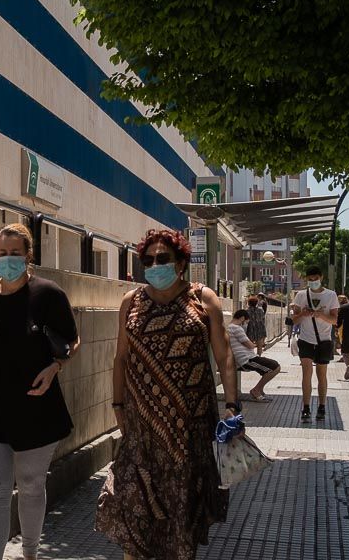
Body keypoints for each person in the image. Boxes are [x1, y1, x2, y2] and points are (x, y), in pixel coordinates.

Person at [97, 229, 240, 560]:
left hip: (190, 430)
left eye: (163, 259)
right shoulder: (130, 302)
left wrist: (232, 406)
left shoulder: (202, 299)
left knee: (181, 518)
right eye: (148, 260)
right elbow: (120, 357)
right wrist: (117, 407)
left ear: (181, 263)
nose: (155, 265)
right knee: (133, 511)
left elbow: (225, 356)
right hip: (141, 429)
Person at [0, 223, 79, 560]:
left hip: (37, 405)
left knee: (31, 484)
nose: (8, 259)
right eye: (2, 253)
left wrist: (55, 368)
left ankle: (30, 554)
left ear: (29, 255)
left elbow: (72, 341)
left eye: (15, 253)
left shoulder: (48, 294)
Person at [290, 265, 341, 423]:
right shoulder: (301, 295)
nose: (313, 282)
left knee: (322, 375)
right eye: (310, 280)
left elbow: (335, 320)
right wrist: (303, 314)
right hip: (305, 339)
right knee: (306, 373)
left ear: (321, 278)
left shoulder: (331, 295)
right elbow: (293, 320)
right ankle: (306, 408)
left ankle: (322, 406)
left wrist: (320, 314)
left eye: (315, 279)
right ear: (306, 279)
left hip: (324, 340)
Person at [228, 310, 281, 402]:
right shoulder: (236, 328)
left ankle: (259, 389)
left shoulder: (230, 327)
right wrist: (256, 344)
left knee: (270, 367)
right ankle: (256, 390)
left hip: (245, 358)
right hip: (246, 359)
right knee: (275, 367)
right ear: (242, 318)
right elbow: (249, 345)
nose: (245, 325)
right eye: (246, 322)